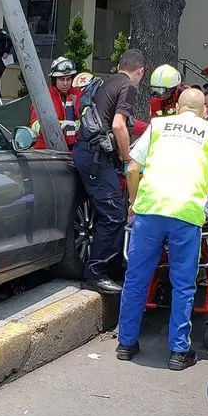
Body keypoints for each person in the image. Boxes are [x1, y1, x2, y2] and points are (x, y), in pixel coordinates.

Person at [118, 88, 208, 370]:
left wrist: (134, 202)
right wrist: (201, 190)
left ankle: (126, 344)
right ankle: (179, 352)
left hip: (151, 210)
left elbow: (132, 169)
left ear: (178, 107)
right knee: (183, 283)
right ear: (203, 109)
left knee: (137, 278)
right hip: (186, 213)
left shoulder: (157, 125)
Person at [74, 48, 146, 295]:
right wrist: (128, 159)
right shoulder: (128, 86)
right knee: (114, 214)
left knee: (104, 212)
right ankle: (96, 273)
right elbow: (118, 125)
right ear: (140, 71)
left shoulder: (106, 82)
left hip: (86, 151)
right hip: (97, 157)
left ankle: (108, 267)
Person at [29, 57, 81, 149]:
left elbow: (84, 117)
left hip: (72, 150)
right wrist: (58, 126)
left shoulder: (77, 94)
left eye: (68, 79)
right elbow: (35, 125)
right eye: (61, 79)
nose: (65, 83)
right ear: (54, 80)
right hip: (47, 150)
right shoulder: (44, 97)